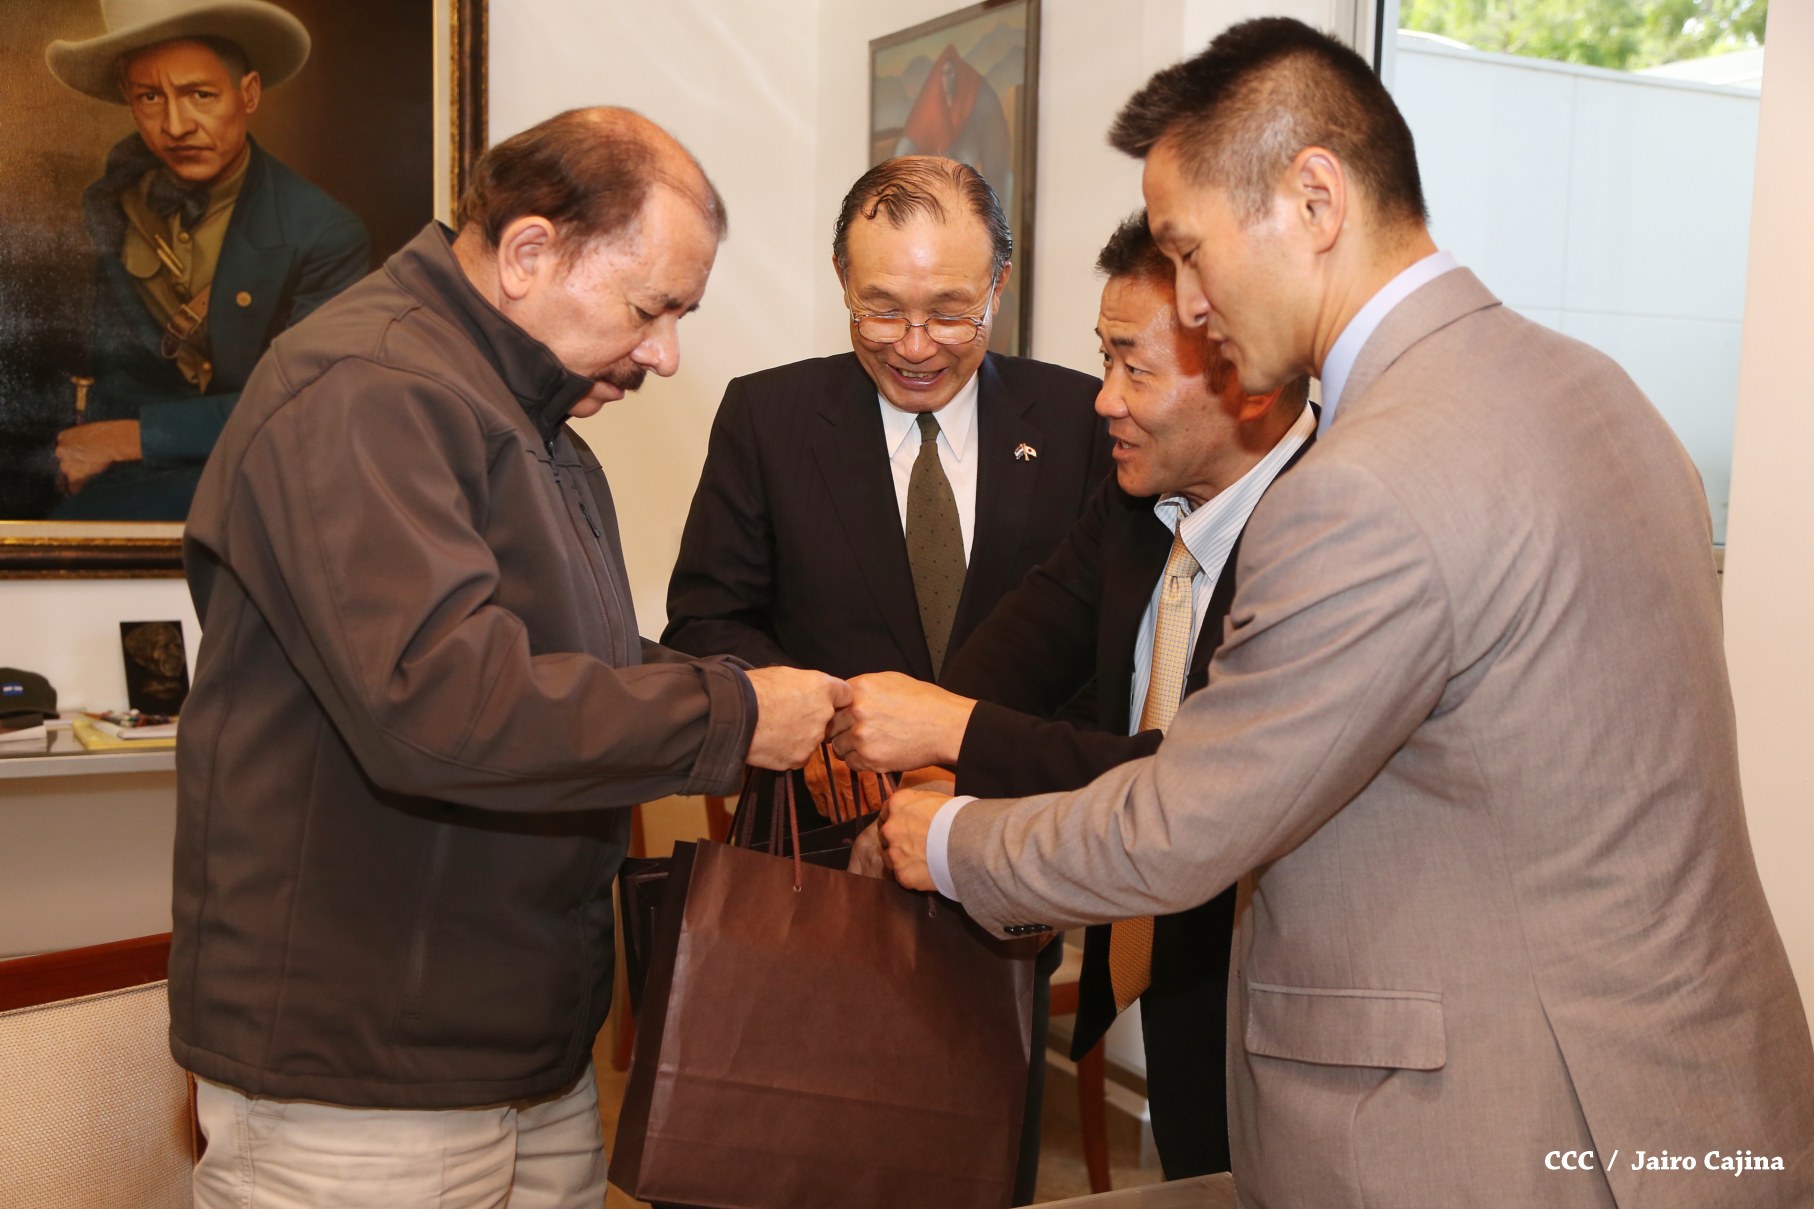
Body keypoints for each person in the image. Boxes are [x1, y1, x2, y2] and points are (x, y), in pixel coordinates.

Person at [880, 18, 1814, 1209]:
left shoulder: (1362, 485)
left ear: (1313, 200)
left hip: (1501, 1127)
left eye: (1189, 251)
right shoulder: (1597, 390)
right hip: (1693, 1097)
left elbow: (1180, 825)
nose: (1189, 302)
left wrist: (949, 843)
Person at [171, 107, 848, 1209]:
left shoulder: (525, 418)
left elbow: (572, 658)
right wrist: (730, 716)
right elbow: (440, 702)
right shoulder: (369, 385)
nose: (665, 354)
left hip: (520, 1048)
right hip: (373, 1071)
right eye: (650, 309)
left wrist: (755, 697)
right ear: (530, 251)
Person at [661, 155, 1109, 1204]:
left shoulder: (1082, 420)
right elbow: (705, 621)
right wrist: (819, 721)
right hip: (811, 864)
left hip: (1001, 856)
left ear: (998, 284)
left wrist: (979, 768)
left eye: (949, 312)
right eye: (882, 310)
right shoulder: (769, 416)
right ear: (840, 281)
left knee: (976, 1152)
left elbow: (1098, 655)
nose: (914, 346)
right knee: (805, 1154)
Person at [832, 212, 1311, 1180]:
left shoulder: (1325, 533)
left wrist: (953, 733)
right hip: (1175, 973)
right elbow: (1026, 641)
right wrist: (920, 768)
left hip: (1288, 998)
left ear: (1248, 377)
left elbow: (1192, 779)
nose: (1104, 401)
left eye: (1134, 368)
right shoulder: (1135, 505)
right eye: (1105, 359)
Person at [44, 0, 368, 519]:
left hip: (260, 463)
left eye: (200, 95)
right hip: (119, 462)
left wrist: (134, 438)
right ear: (128, 98)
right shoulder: (110, 201)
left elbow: (312, 399)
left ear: (249, 94)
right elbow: (111, 364)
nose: (176, 125)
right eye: (151, 97)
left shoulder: (324, 233)